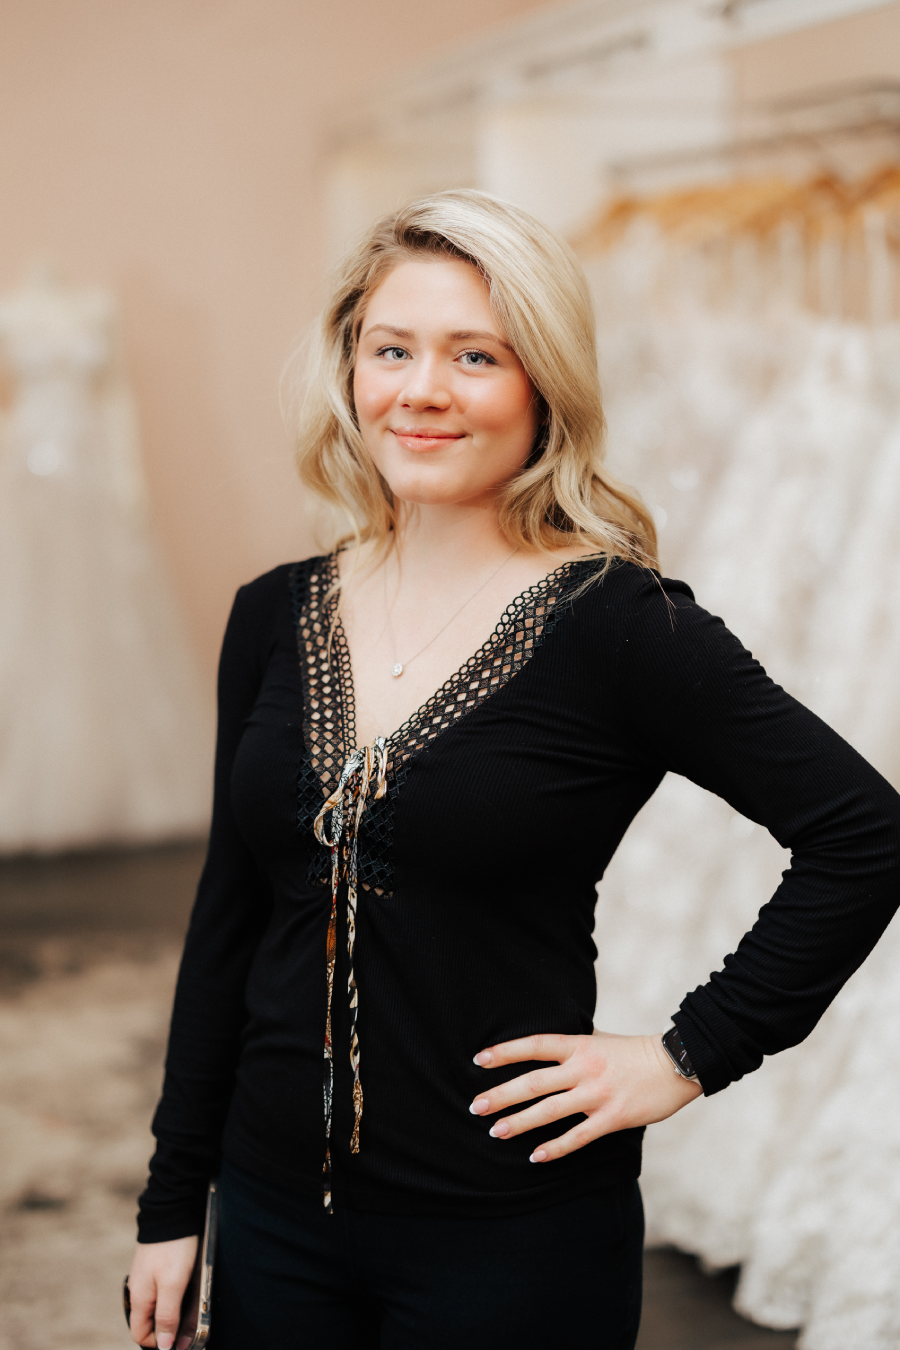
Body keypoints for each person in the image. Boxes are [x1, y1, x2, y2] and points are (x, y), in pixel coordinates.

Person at [127, 190, 900, 1350]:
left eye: (475, 356)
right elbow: (231, 913)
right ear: (351, 369)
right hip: (273, 1216)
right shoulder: (272, 615)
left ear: (544, 384)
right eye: (392, 350)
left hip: (508, 1239)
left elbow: (864, 833)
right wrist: (173, 1199)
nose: (421, 390)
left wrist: (688, 1054)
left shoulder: (622, 626)